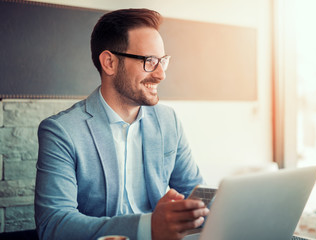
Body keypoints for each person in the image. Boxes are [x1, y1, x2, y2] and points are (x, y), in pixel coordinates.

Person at [35, 8, 209, 240]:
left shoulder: (168, 122)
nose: (161, 75)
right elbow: (54, 224)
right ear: (109, 63)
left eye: (162, 61)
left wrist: (199, 212)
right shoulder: (62, 132)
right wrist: (149, 226)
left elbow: (198, 194)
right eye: (149, 61)